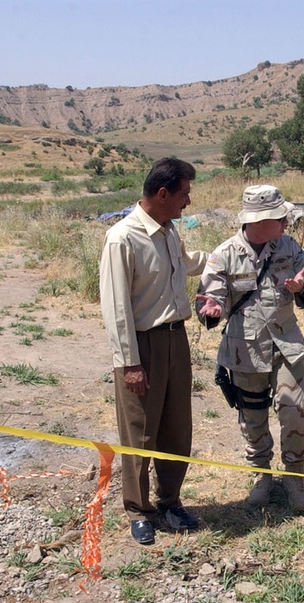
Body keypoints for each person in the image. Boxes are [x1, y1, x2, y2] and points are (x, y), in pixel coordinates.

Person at [99, 157, 207, 546]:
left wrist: (226, 260)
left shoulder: (168, 232)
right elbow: (116, 309)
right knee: (140, 432)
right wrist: (130, 363)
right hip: (141, 347)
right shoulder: (122, 238)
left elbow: (189, 263)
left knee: (176, 427)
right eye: (184, 194)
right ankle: (139, 510)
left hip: (177, 339)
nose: (187, 202)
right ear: (163, 194)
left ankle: (170, 501)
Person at [195, 185, 304, 512]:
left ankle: (295, 474)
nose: (286, 222)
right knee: (252, 417)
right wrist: (211, 311)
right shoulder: (224, 254)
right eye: (280, 217)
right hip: (244, 351)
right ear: (260, 221)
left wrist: (301, 287)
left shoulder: (289, 246)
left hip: (286, 346)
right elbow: (213, 299)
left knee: (293, 409)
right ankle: (261, 472)